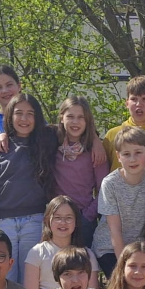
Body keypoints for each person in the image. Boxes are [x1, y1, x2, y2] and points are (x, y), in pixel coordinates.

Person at [0, 93, 58, 283]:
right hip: (4, 223)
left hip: (35, 221)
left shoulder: (48, 143)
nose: (24, 119)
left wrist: (95, 142)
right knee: (4, 278)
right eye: (19, 113)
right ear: (10, 116)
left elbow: (76, 130)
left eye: (30, 113)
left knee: (31, 278)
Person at [92, 127, 145, 276]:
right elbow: (114, 230)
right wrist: (124, 267)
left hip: (139, 247)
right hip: (109, 247)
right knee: (124, 283)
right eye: (126, 154)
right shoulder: (110, 183)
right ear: (118, 156)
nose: (132, 159)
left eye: (138, 152)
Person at [52, 96, 108, 246]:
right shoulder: (51, 145)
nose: (75, 122)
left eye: (81, 117)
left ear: (87, 120)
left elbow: (104, 189)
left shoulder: (95, 151)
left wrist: (88, 215)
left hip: (84, 219)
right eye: (70, 116)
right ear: (61, 118)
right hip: (57, 217)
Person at [24, 196, 101, 289]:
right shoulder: (36, 253)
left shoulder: (88, 255)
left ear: (76, 222)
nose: (63, 222)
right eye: (57, 218)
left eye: (68, 218)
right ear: (47, 220)